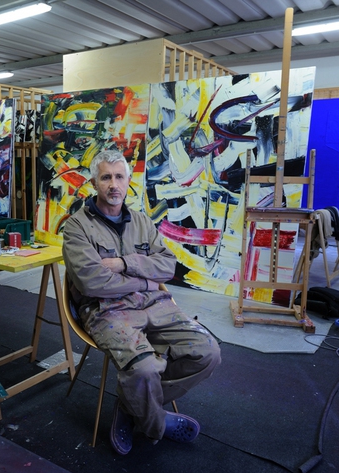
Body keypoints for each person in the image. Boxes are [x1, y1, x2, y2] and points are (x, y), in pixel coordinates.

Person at [62, 150, 221, 455]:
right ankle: (155, 422)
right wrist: (145, 280)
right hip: (106, 311)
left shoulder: (141, 221)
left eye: (119, 177)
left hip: (154, 304)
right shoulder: (77, 226)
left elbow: (168, 266)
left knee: (208, 352)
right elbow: (92, 282)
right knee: (144, 369)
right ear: (94, 182)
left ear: (128, 181)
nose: (113, 184)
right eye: (106, 177)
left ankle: (131, 403)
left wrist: (125, 263)